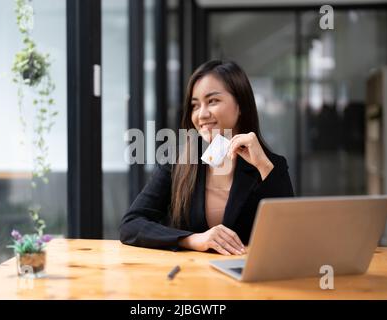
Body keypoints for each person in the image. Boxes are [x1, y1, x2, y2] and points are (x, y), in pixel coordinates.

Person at [120, 60, 294, 255]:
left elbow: (289, 237)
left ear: (241, 105)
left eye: (213, 101)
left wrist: (263, 166)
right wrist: (193, 239)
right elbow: (131, 224)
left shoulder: (271, 165)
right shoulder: (178, 162)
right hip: (188, 277)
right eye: (195, 105)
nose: (201, 114)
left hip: (244, 279)